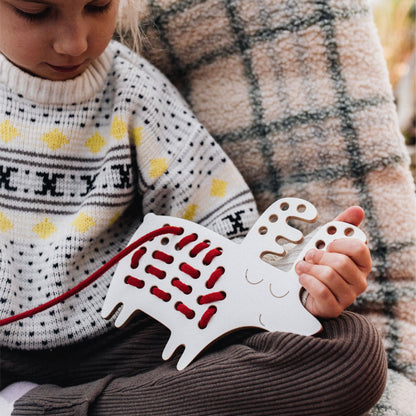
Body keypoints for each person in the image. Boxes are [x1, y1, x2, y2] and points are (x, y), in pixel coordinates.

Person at [0, 0, 386, 415]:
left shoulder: (134, 90)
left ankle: (37, 407)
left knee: (352, 349)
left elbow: (227, 237)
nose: (75, 43)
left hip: (122, 333)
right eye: (34, 11)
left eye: (98, 6)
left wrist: (304, 287)